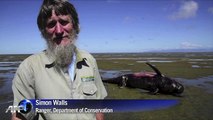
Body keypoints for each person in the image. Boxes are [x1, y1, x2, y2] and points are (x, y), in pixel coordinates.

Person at [11, 0, 107, 119]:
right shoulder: (29, 68)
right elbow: (19, 116)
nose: (59, 31)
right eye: (51, 24)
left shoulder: (89, 60)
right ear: (44, 32)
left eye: (64, 22)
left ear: (75, 25)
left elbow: (98, 107)